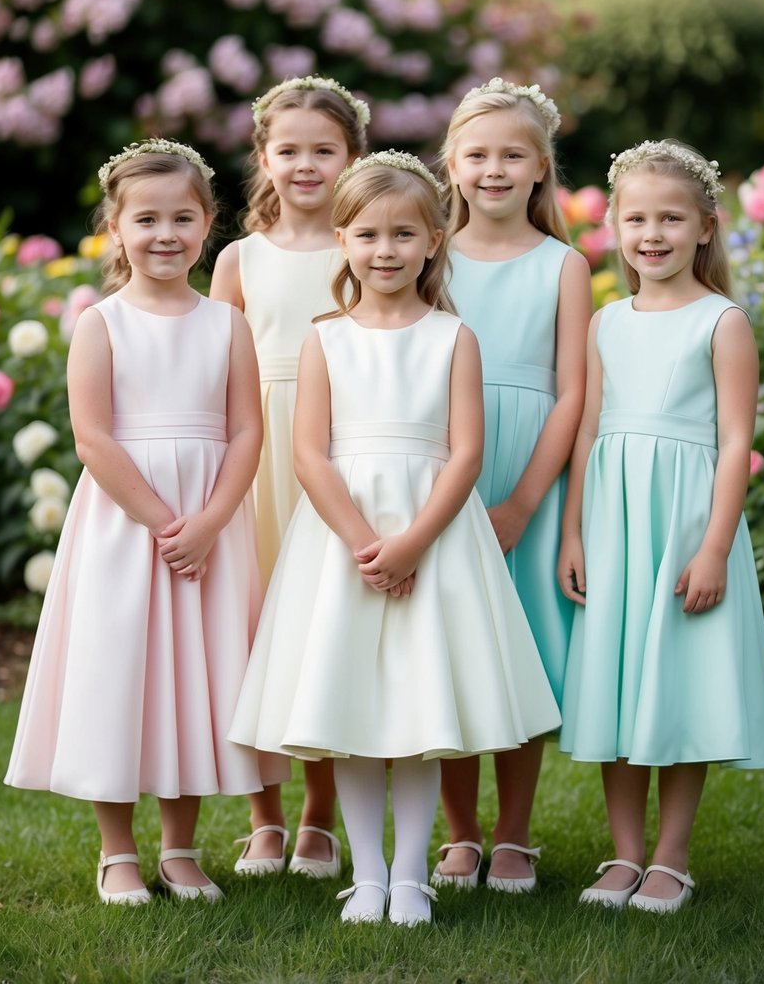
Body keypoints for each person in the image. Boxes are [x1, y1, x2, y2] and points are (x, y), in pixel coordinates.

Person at [228, 150, 561, 927]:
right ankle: (368, 873)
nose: (386, 251)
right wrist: (358, 540)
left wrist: (412, 542)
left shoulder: (452, 337)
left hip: (433, 532)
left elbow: (466, 450)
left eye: (403, 235)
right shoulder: (325, 339)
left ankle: (411, 873)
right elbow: (309, 451)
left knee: (416, 711)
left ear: (433, 241)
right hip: (341, 540)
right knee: (349, 711)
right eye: (369, 234)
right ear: (342, 240)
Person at [5, 140, 280, 904]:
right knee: (122, 675)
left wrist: (211, 520)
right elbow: (93, 436)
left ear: (207, 225)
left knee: (191, 679)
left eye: (182, 218)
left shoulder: (226, 326)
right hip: (127, 527)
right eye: (147, 219)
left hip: (207, 521)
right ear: (116, 229)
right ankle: (117, 851)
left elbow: (247, 431)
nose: (165, 234)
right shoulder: (102, 323)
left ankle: (181, 848)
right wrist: (164, 523)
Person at [557, 139, 764, 913]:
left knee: (675, 684)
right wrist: (573, 534)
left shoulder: (720, 323)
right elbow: (586, 432)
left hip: (684, 522)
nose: (650, 233)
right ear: (614, 228)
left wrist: (714, 546)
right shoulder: (604, 322)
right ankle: (622, 855)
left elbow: (733, 441)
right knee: (619, 687)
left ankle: (670, 856)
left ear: (704, 227)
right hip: (614, 521)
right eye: (635, 219)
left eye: (669, 218)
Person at [432, 78, 592, 893]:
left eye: (511, 156)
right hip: (442, 462)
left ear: (540, 169)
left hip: (526, 463)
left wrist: (527, 501)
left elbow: (572, 391)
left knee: (518, 648)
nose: (493, 170)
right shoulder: (430, 251)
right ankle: (459, 834)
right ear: (451, 164)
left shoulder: (562, 265)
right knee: (456, 645)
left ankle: (514, 833)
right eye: (477, 154)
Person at [210, 76, 368, 879]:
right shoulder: (240, 258)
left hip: (339, 455)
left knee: (319, 629)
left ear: (351, 157)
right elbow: (216, 368)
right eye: (289, 150)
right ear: (263, 158)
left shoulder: (363, 247)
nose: (305, 165)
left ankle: (319, 813)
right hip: (256, 457)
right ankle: (262, 816)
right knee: (252, 632)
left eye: (324, 150)